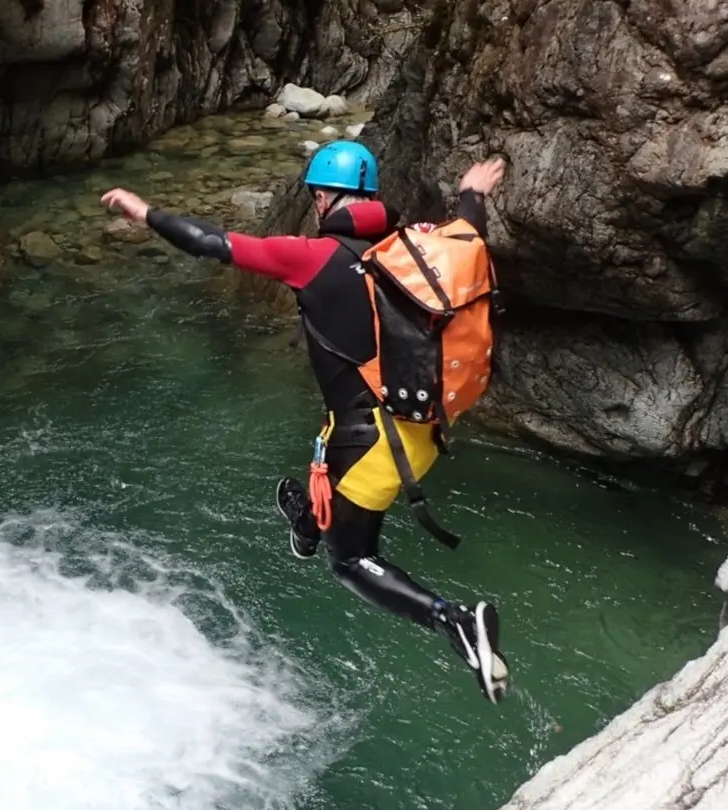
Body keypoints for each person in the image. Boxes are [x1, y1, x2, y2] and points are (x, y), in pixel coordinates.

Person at [99, 141, 512, 703]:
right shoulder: (414, 247)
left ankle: (456, 622)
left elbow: (210, 243)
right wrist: (471, 194)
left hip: (373, 441)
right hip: (422, 429)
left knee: (352, 560)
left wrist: (143, 211)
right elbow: (469, 229)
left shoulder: (312, 256)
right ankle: (304, 522)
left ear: (322, 197)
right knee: (326, 455)